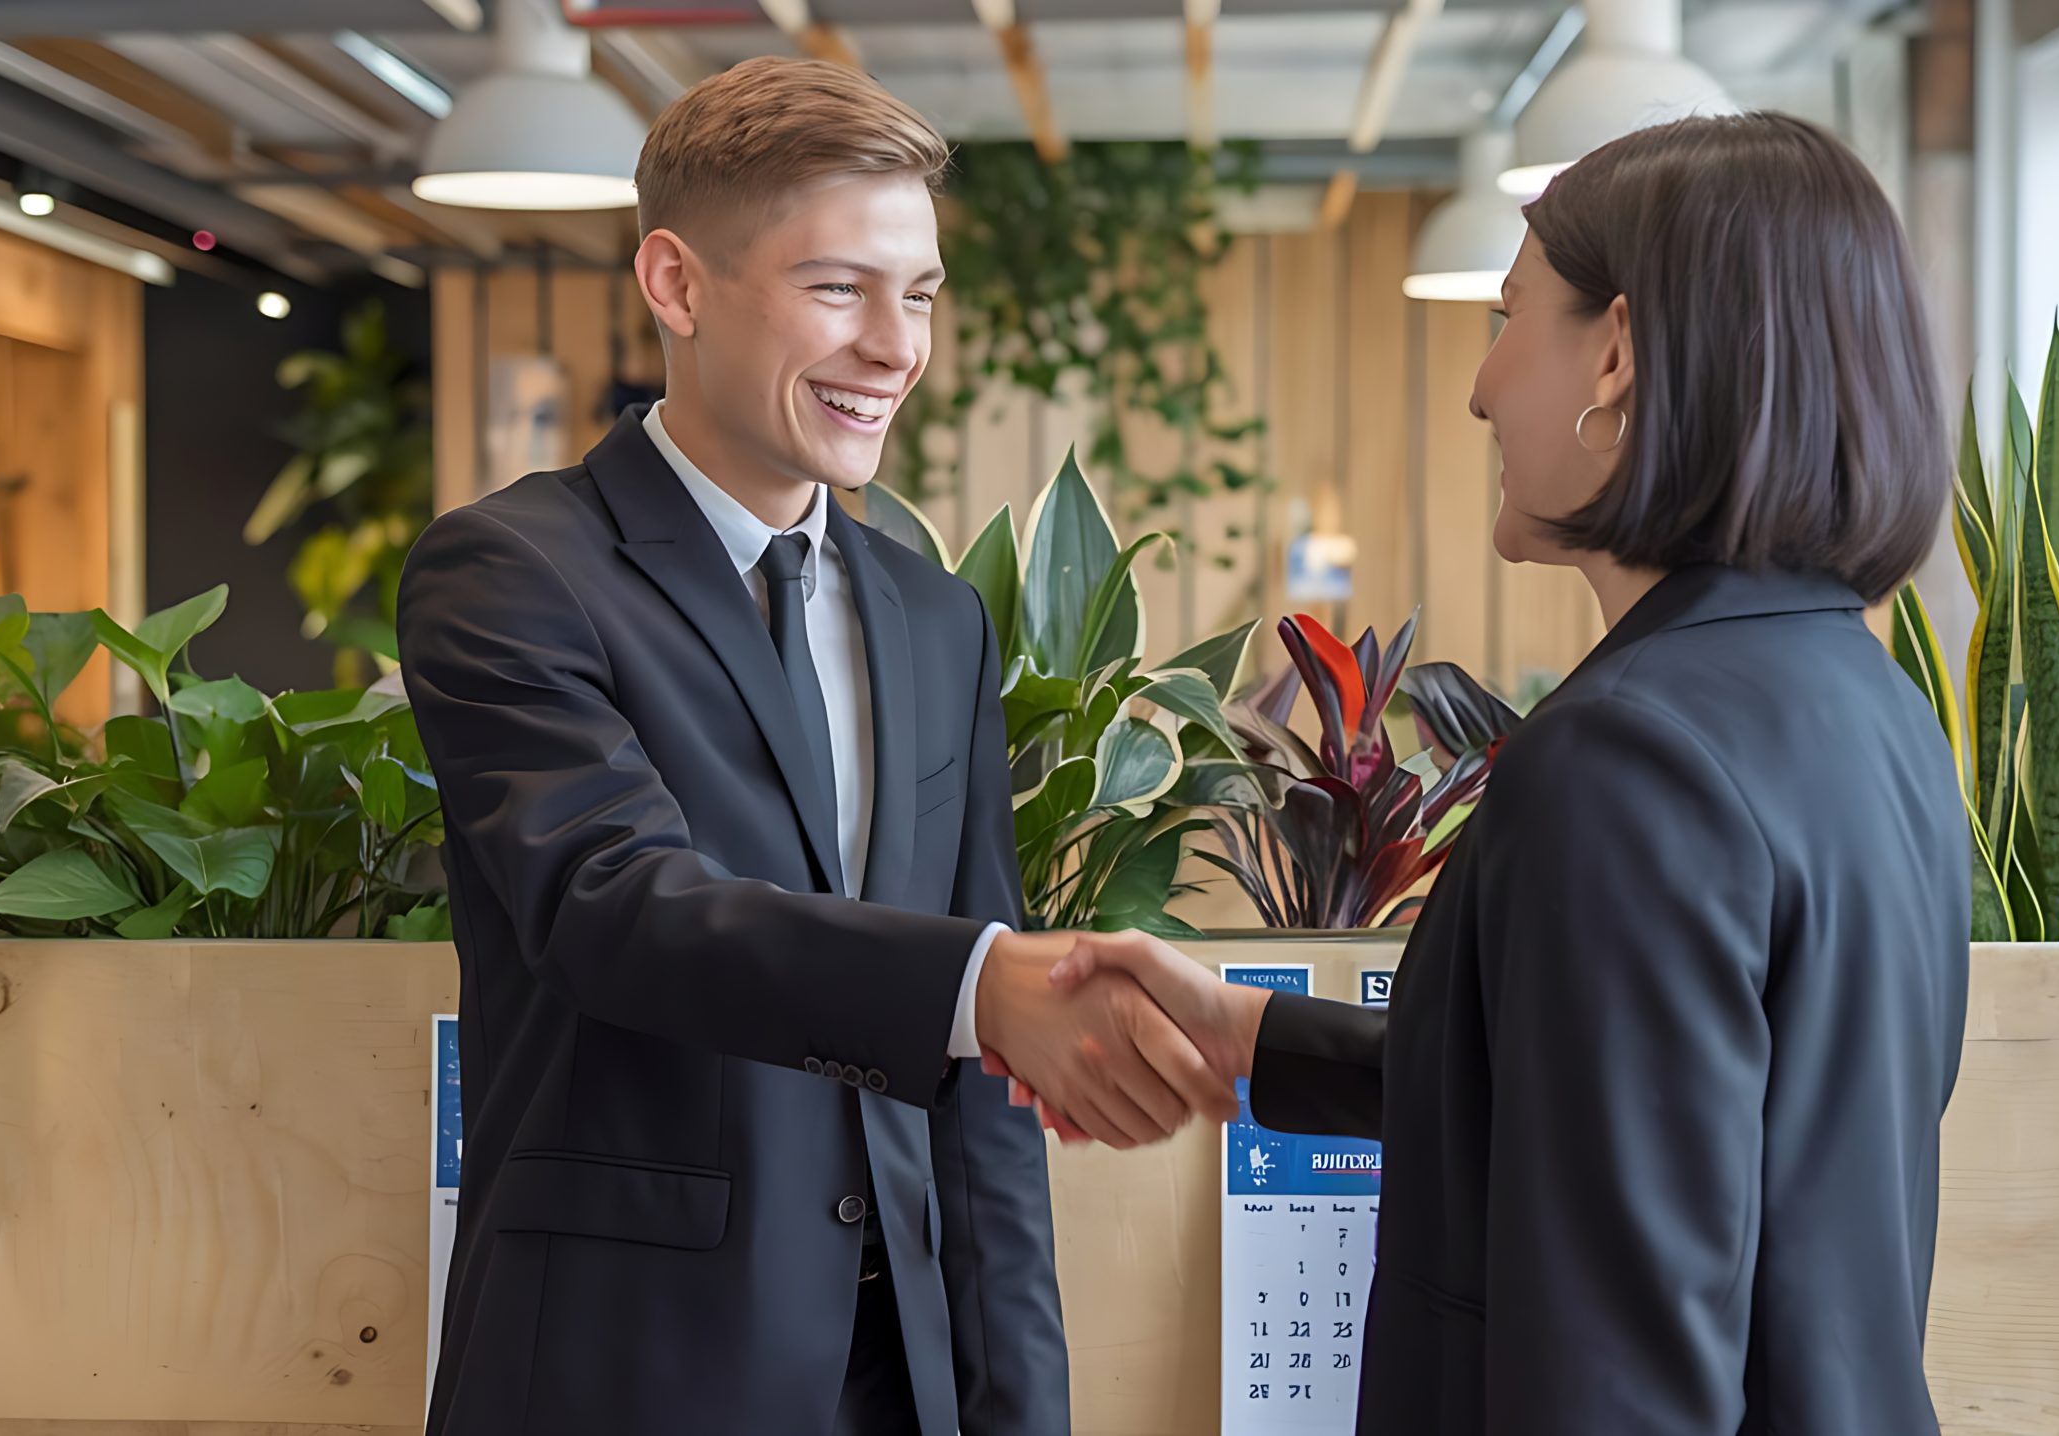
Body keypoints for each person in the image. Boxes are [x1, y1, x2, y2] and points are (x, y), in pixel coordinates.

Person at [1035, 112, 1971, 1434]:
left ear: (1620, 352)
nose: (1477, 384)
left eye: (1510, 313)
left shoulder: (1628, 761)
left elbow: (1618, 1371)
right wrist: (1251, 1039)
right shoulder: (1862, 704)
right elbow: (1645, 1120)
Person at [397, 58, 1231, 1436]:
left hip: (903, 1375)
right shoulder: (511, 572)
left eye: (919, 296)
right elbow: (616, 911)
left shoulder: (934, 616)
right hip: (627, 1373)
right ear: (677, 284)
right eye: (840, 288)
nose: (897, 348)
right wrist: (978, 983)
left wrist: (1020, 1406)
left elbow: (982, 1099)